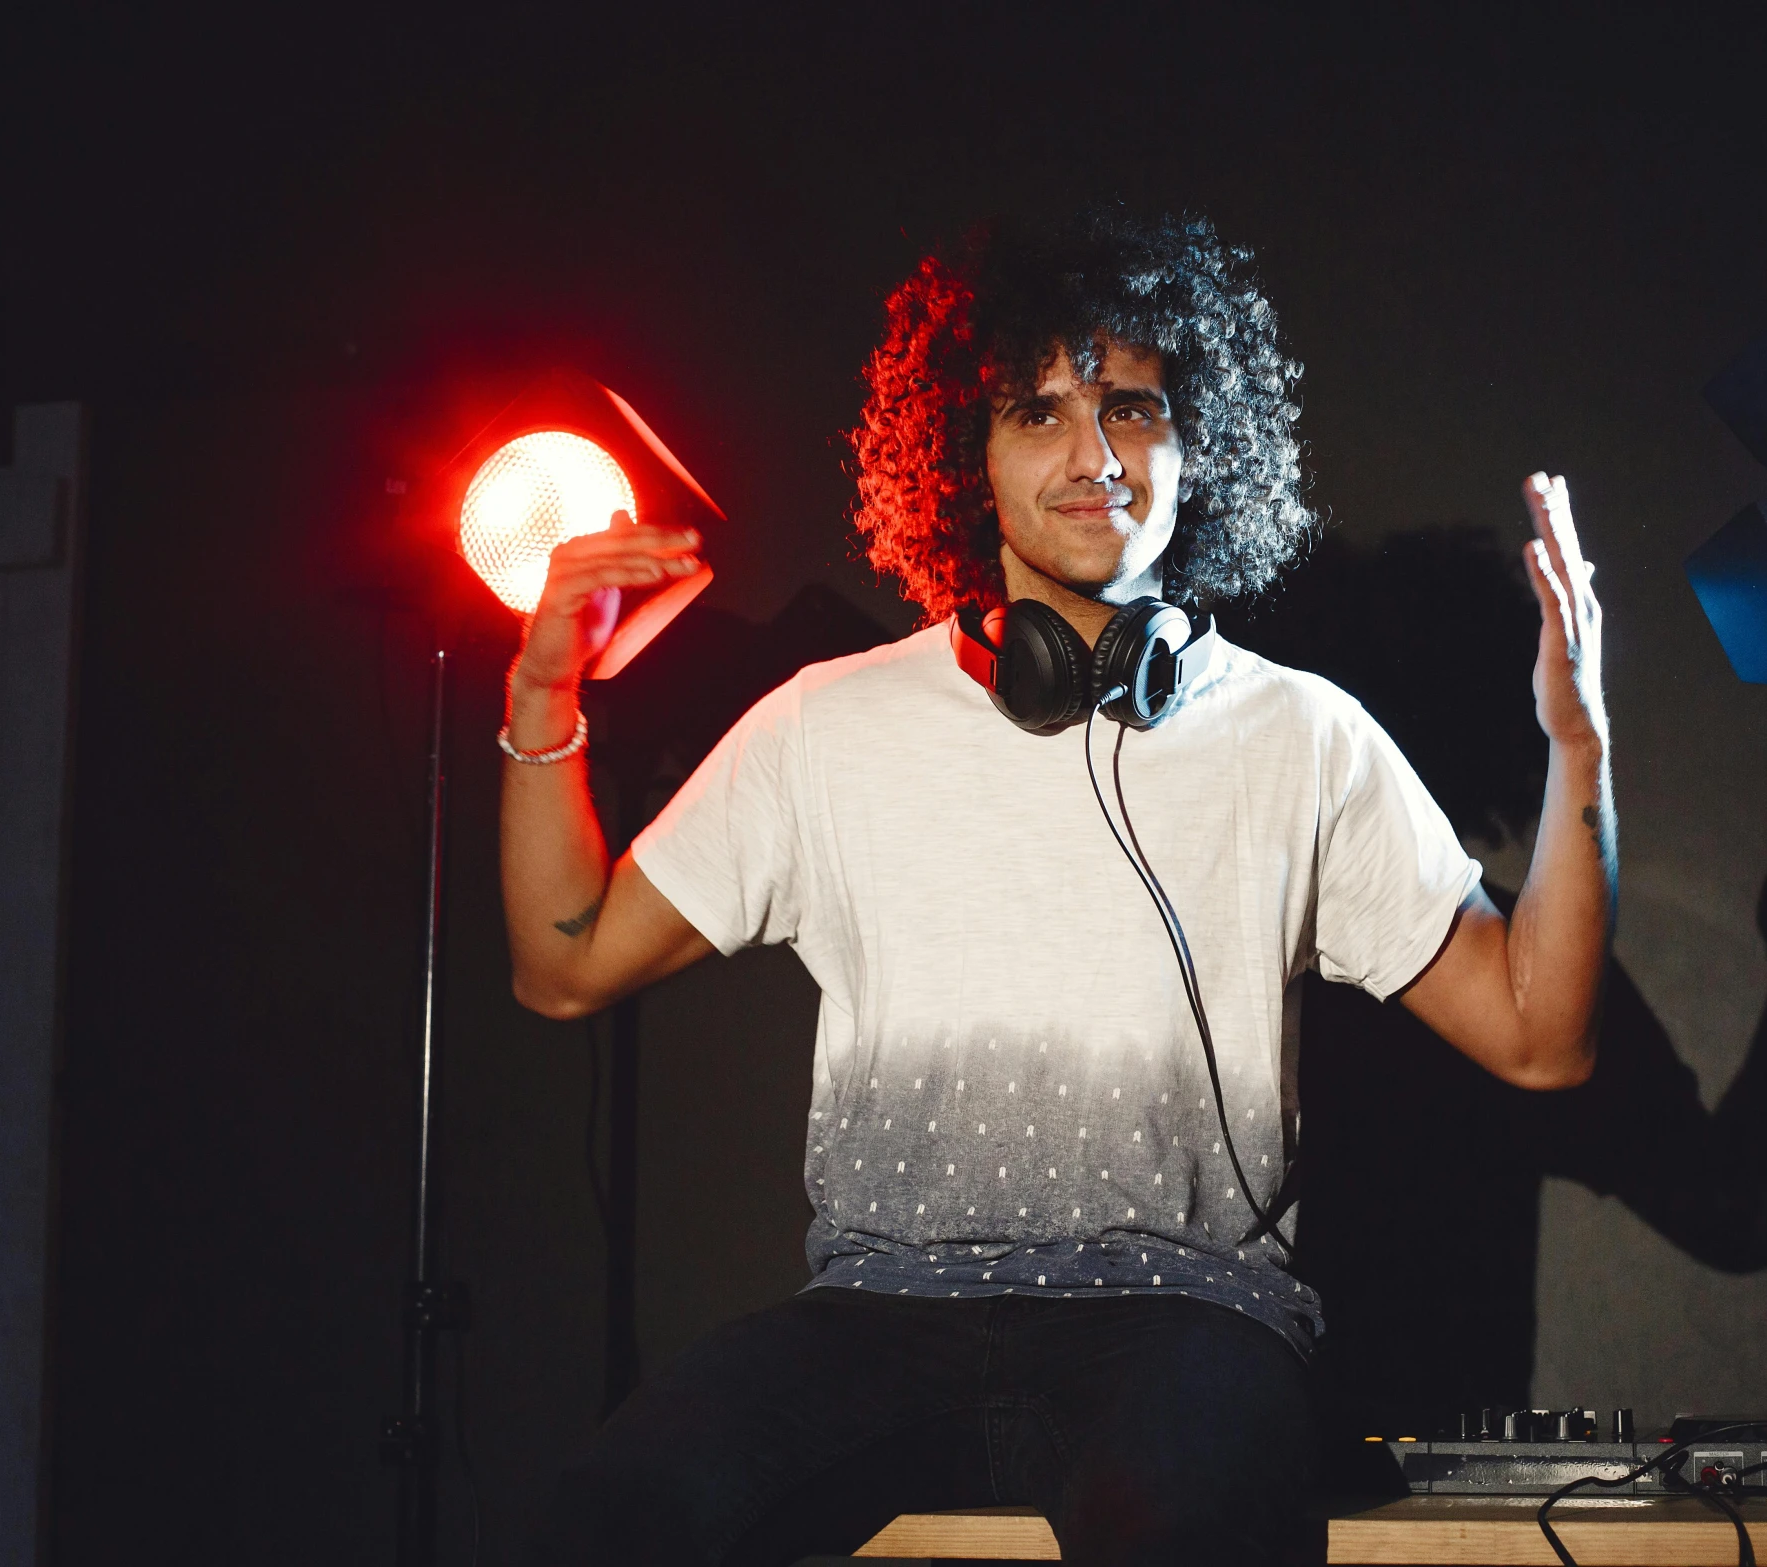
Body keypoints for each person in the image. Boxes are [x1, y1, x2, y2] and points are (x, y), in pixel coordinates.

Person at [511, 210, 1615, 1566]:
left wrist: (1579, 748)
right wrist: (543, 698)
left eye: (1132, 406)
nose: (1092, 457)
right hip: (879, 1309)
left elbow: (1539, 1034)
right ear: (964, 461)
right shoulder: (824, 723)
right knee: (600, 1521)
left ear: (1199, 442)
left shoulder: (1302, 735)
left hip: (1184, 1317)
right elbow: (564, 960)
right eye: (1036, 411)